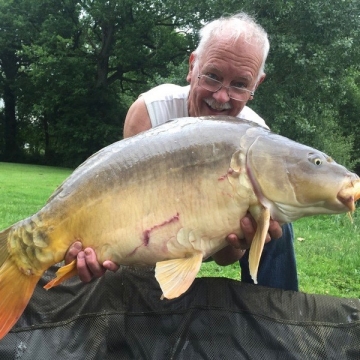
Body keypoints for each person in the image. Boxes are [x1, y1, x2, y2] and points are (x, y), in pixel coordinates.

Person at [65, 12, 298, 291]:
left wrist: (248, 238)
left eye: (239, 85)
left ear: (255, 86)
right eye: (212, 76)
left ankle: (271, 318)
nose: (221, 96)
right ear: (192, 66)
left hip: (214, 235)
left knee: (277, 225)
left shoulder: (258, 137)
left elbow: (224, 257)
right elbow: (132, 219)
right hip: (150, 231)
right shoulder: (150, 111)